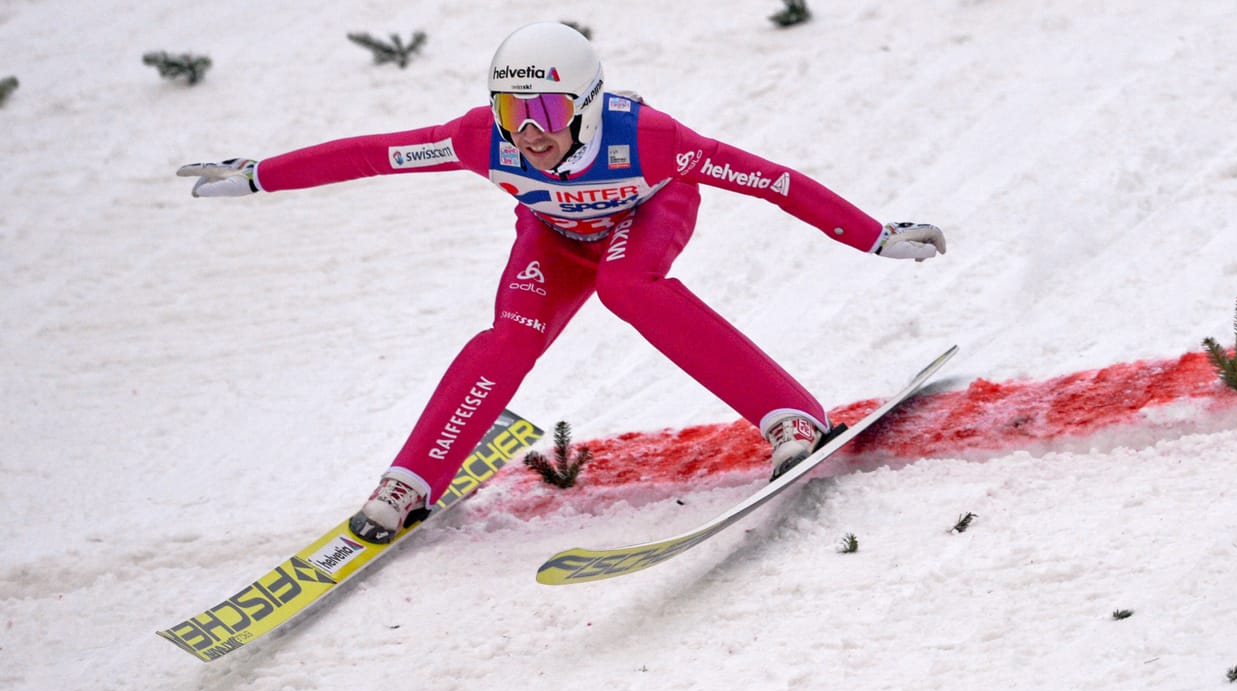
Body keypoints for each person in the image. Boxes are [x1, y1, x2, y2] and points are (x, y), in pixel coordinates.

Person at [178, 22, 946, 543]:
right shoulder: (483, 140)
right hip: (553, 234)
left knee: (628, 289)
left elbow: (770, 181)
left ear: (583, 105)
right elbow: (375, 154)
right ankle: (411, 479)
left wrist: (873, 234)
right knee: (507, 337)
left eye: (544, 109)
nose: (528, 129)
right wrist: (258, 177)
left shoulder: (651, 141)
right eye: (511, 110)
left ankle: (791, 420)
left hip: (640, 220)